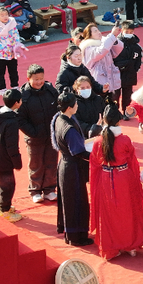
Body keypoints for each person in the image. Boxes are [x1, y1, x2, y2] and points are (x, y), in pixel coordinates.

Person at [89, 105, 143, 259]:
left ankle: (110, 248)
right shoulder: (125, 140)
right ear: (120, 121)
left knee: (108, 215)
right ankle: (131, 245)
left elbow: (94, 165)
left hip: (105, 178)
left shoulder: (98, 141)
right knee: (128, 212)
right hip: (124, 177)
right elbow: (132, 161)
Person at [52, 92, 93, 247]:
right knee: (76, 202)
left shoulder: (59, 118)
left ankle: (71, 234)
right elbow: (79, 152)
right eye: (75, 104)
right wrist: (97, 156)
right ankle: (77, 237)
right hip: (72, 168)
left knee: (69, 202)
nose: (77, 105)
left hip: (65, 164)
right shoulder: (69, 128)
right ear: (70, 107)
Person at [18, 64, 59, 204]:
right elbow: (20, 119)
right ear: (28, 78)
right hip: (34, 138)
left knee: (51, 163)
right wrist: (33, 133)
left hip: (51, 136)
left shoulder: (50, 91)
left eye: (41, 78)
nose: (39, 82)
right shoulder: (24, 96)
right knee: (36, 164)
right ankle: (35, 190)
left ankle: (49, 189)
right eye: (36, 79)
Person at [0, 89, 23, 222]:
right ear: (17, 103)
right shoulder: (11, 121)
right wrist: (17, 162)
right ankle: (4, 210)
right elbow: (11, 145)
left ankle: (1, 206)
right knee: (8, 185)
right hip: (4, 158)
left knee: (3, 184)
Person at [0, 6, 25, 95]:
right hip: (1, 54)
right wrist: (4, 49)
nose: (5, 17)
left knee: (13, 70)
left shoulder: (12, 24)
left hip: (12, 53)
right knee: (0, 72)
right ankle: (2, 88)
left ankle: (15, 85)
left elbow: (16, 35)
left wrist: (16, 45)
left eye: (6, 14)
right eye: (2, 15)